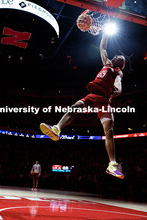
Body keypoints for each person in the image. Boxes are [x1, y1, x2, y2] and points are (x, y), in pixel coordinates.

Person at [40, 33, 126, 179]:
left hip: (104, 100)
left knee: (109, 131)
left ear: (120, 64)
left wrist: (117, 90)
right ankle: (56, 129)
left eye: (120, 58)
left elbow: (119, 85)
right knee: (75, 107)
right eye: (117, 56)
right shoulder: (106, 64)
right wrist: (105, 33)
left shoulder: (118, 72)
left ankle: (112, 165)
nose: (117, 56)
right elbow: (102, 48)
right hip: (93, 95)